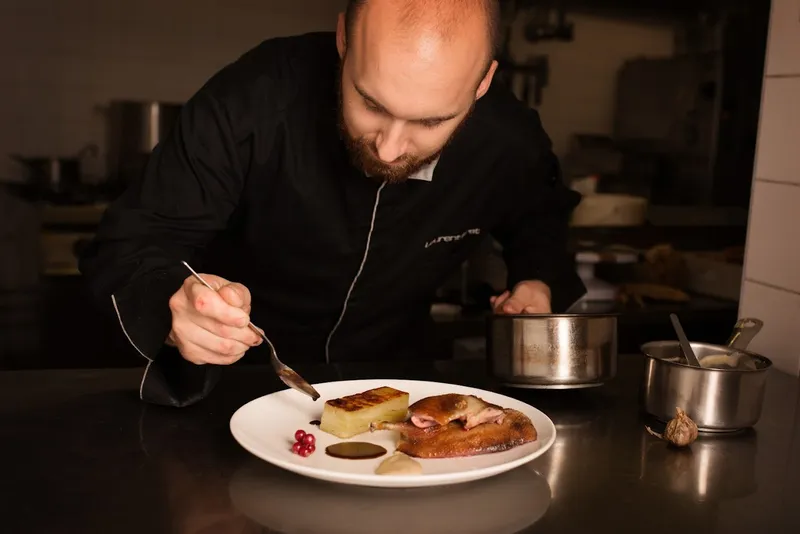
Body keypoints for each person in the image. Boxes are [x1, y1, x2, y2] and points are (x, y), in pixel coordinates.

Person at [79, 0, 586, 407]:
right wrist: (175, 305)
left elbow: (541, 221)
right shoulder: (255, 96)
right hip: (237, 390)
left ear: (483, 82)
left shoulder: (509, 137)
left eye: (431, 122)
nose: (389, 149)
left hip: (403, 396)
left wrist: (537, 282)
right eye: (370, 103)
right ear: (344, 38)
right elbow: (132, 243)